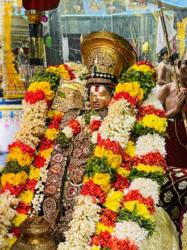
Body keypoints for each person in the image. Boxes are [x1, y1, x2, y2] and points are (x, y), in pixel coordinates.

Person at [41, 31, 137, 242]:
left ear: (112, 97)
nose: (95, 98)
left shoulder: (117, 123)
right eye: (92, 92)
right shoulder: (73, 116)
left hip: (95, 195)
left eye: (101, 93)